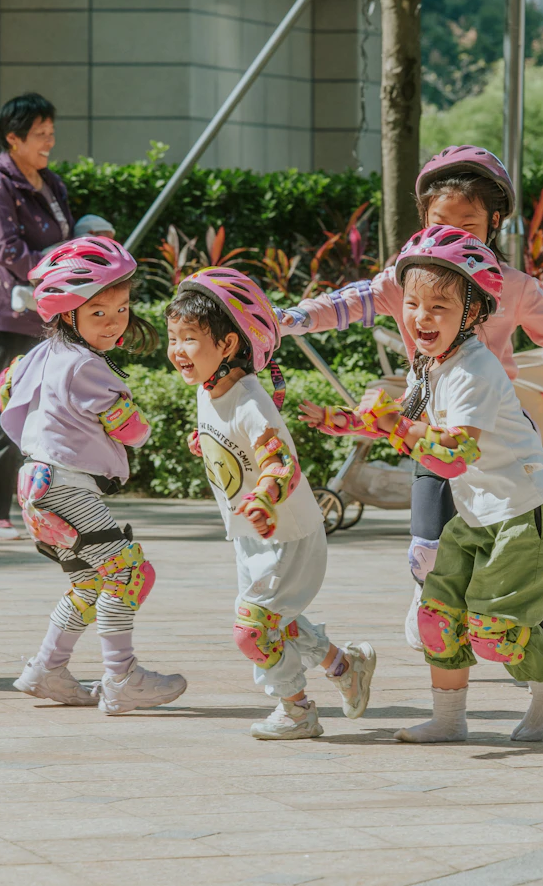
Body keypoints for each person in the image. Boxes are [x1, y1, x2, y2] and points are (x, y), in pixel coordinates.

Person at [278, 145, 543, 650]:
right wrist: (290, 319)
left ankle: (532, 630)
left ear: (494, 224)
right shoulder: (411, 277)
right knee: (428, 545)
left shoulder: (512, 288)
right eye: (437, 221)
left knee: (512, 540)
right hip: (434, 430)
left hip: (502, 436)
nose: (449, 233)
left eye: (467, 226)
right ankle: (435, 605)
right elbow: (348, 303)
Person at [301, 226, 543, 743]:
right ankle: (449, 720)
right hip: (477, 515)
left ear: (473, 312)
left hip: (524, 514)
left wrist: (392, 428)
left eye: (439, 308)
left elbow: (452, 453)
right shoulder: (432, 363)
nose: (420, 318)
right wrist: (342, 421)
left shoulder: (474, 370)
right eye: (412, 304)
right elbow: (403, 416)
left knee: (495, 633)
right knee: (438, 613)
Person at [165, 267, 377, 739]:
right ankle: (346, 666)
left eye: (189, 338)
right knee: (275, 620)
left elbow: (280, 464)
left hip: (288, 536)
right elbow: (231, 440)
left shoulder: (250, 403)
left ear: (227, 345)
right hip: (253, 538)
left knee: (252, 630)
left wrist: (263, 498)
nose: (178, 349)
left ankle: (297, 709)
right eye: (173, 337)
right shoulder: (209, 388)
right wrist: (206, 441)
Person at [0, 236, 186, 715]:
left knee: (90, 583)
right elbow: (133, 430)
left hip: (36, 486)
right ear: (67, 314)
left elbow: (8, 393)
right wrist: (136, 425)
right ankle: (122, 677)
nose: (114, 322)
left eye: (121, 309)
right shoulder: (86, 366)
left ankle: (47, 668)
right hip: (64, 487)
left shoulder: (43, 356)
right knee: (128, 574)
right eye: (98, 312)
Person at [0, 92, 75, 542]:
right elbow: (6, 250)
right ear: (13, 138)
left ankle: (48, 508)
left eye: (51, 132)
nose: (49, 141)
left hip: (50, 313)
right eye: (40, 134)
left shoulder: (50, 181)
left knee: (53, 411)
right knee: (9, 409)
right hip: (8, 315)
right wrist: (60, 271)